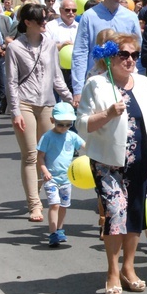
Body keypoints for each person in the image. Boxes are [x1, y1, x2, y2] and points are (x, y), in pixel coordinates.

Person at [76, 33, 147, 294]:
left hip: (140, 158)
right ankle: (112, 271)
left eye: (134, 55)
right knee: (114, 213)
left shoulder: (143, 83)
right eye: (124, 55)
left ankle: (129, 268)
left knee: (135, 214)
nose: (130, 60)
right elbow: (82, 124)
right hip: (107, 161)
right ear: (110, 58)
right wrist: (108, 113)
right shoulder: (96, 84)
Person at [6, 3, 73, 223]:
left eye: (46, 19)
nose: (45, 23)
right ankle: (34, 204)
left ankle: (43, 196)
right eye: (40, 20)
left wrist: (71, 99)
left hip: (47, 104)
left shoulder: (50, 45)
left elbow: (56, 78)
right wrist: (15, 111)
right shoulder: (14, 48)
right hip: (24, 103)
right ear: (27, 23)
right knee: (30, 155)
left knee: (47, 155)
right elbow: (11, 82)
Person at [71, 0, 141, 107]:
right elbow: (80, 53)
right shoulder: (89, 17)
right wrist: (78, 90)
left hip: (125, 80)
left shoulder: (131, 17)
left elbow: (138, 51)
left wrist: (138, 79)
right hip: (97, 81)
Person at [37, 102, 86, 248]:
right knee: (54, 205)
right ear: (52, 121)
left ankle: (60, 229)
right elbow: (40, 156)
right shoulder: (47, 137)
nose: (64, 127)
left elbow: (86, 147)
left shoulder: (72, 136)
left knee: (64, 206)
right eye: (60, 124)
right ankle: (53, 233)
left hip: (67, 178)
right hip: (51, 178)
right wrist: (44, 171)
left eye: (68, 124)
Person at [46, 0, 79, 93]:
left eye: (74, 10)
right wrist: (61, 46)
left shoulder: (80, 26)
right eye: (67, 10)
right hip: (56, 69)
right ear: (60, 10)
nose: (71, 12)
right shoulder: (50, 26)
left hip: (75, 69)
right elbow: (44, 46)